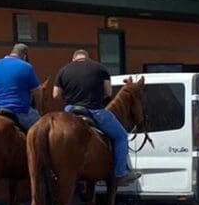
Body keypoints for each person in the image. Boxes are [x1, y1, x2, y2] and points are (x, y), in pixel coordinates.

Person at [53, 49, 141, 186]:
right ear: (87, 58)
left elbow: (55, 95)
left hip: (70, 111)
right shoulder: (100, 68)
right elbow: (108, 92)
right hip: (94, 111)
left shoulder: (63, 70)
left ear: (74, 58)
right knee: (121, 136)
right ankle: (121, 173)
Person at [0, 43, 45, 130]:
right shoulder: (26, 67)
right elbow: (38, 92)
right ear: (25, 56)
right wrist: (39, 109)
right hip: (19, 111)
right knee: (42, 130)